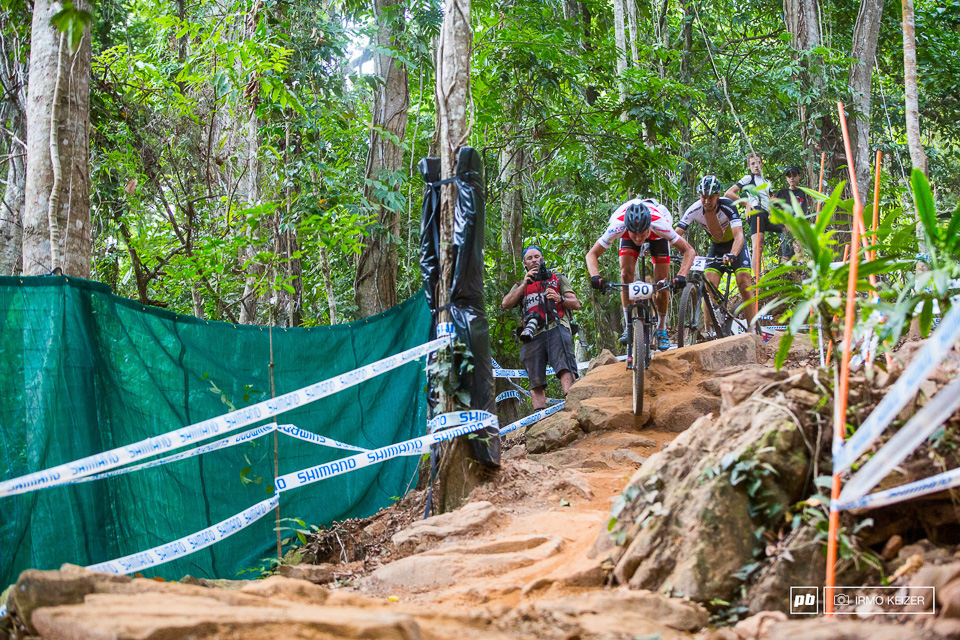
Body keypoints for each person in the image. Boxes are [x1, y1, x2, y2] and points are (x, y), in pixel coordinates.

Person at [585, 198, 696, 351]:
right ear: (627, 228)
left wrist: (681, 276)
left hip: (658, 236)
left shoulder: (661, 225)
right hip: (629, 228)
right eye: (634, 234)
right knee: (625, 275)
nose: (638, 238)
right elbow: (591, 254)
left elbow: (689, 251)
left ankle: (661, 328)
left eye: (641, 233)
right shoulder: (618, 226)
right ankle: (628, 326)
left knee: (662, 282)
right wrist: (595, 276)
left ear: (648, 227)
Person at [501, 245, 581, 411]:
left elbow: (576, 304)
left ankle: (572, 406)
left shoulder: (557, 277)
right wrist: (523, 285)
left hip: (556, 325)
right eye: (529, 258)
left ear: (542, 258)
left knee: (564, 363)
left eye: (537, 256)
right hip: (532, 334)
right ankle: (540, 418)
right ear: (524, 263)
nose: (534, 260)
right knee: (534, 373)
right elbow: (506, 303)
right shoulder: (520, 284)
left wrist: (560, 298)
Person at [676, 175, 756, 329]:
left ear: (718, 196)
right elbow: (675, 234)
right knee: (708, 287)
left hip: (735, 245)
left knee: (743, 281)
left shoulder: (727, 205)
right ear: (699, 196)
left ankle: (753, 329)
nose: (706, 201)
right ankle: (710, 331)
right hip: (717, 247)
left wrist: (732, 254)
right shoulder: (694, 209)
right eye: (703, 197)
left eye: (711, 198)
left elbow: (739, 235)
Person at [725, 153, 776, 274]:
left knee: (787, 228)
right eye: (753, 163)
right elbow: (729, 193)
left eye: (758, 163)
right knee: (758, 244)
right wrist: (746, 204)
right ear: (749, 166)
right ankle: (756, 278)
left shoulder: (767, 181)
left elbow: (771, 200)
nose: (756, 166)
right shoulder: (748, 178)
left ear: (762, 164)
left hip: (767, 214)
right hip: (756, 211)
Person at [773, 165, 809, 259]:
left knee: (799, 255)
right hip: (786, 229)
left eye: (794, 175)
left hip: (800, 228)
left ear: (799, 176)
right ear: (786, 178)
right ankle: (786, 273)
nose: (792, 178)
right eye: (789, 176)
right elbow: (771, 207)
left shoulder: (804, 193)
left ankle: (800, 272)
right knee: (786, 256)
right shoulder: (781, 193)